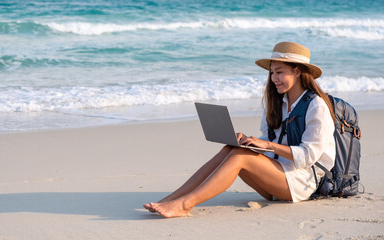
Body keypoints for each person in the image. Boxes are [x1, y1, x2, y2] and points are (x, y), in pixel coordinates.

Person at [143, 42, 336, 218]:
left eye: (279, 72)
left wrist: (267, 145)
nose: (273, 78)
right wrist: (250, 141)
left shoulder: (316, 106)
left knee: (240, 157)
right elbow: (271, 139)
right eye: (271, 73)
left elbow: (309, 156)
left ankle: (185, 204)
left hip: (302, 182)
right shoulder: (279, 102)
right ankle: (172, 198)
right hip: (275, 178)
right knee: (232, 149)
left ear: (296, 71)